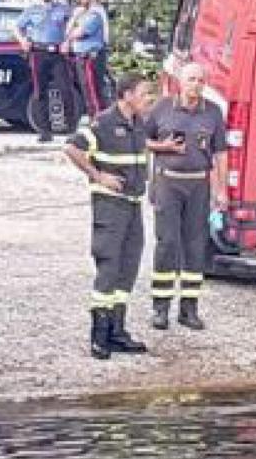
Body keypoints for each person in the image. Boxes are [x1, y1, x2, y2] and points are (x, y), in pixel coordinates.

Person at [65, 74, 157, 358]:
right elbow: (72, 147)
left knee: (128, 267)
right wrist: (97, 175)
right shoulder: (104, 122)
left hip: (133, 204)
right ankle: (99, 335)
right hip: (111, 206)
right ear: (126, 95)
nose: (148, 99)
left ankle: (118, 330)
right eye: (143, 94)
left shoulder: (138, 123)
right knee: (109, 266)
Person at [145, 61, 228, 331]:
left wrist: (221, 190)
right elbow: (140, 139)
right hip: (168, 183)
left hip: (198, 185)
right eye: (191, 79)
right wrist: (163, 146)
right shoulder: (161, 108)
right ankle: (160, 308)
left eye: (201, 80)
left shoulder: (213, 113)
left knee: (195, 247)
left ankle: (189, 309)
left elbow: (220, 154)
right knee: (167, 244)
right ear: (180, 81)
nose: (196, 85)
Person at [13, 0, 75, 143]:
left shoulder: (62, 8)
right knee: (40, 92)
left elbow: (72, 25)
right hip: (38, 52)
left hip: (57, 53)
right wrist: (23, 41)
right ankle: (45, 130)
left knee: (66, 89)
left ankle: (70, 129)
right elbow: (17, 27)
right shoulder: (31, 10)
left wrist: (68, 42)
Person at [64, 0, 111, 117]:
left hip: (91, 58)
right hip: (82, 57)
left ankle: (99, 120)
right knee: (87, 92)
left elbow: (79, 33)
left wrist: (72, 32)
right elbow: (68, 31)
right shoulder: (80, 14)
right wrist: (74, 19)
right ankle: (94, 118)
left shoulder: (95, 13)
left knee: (93, 92)